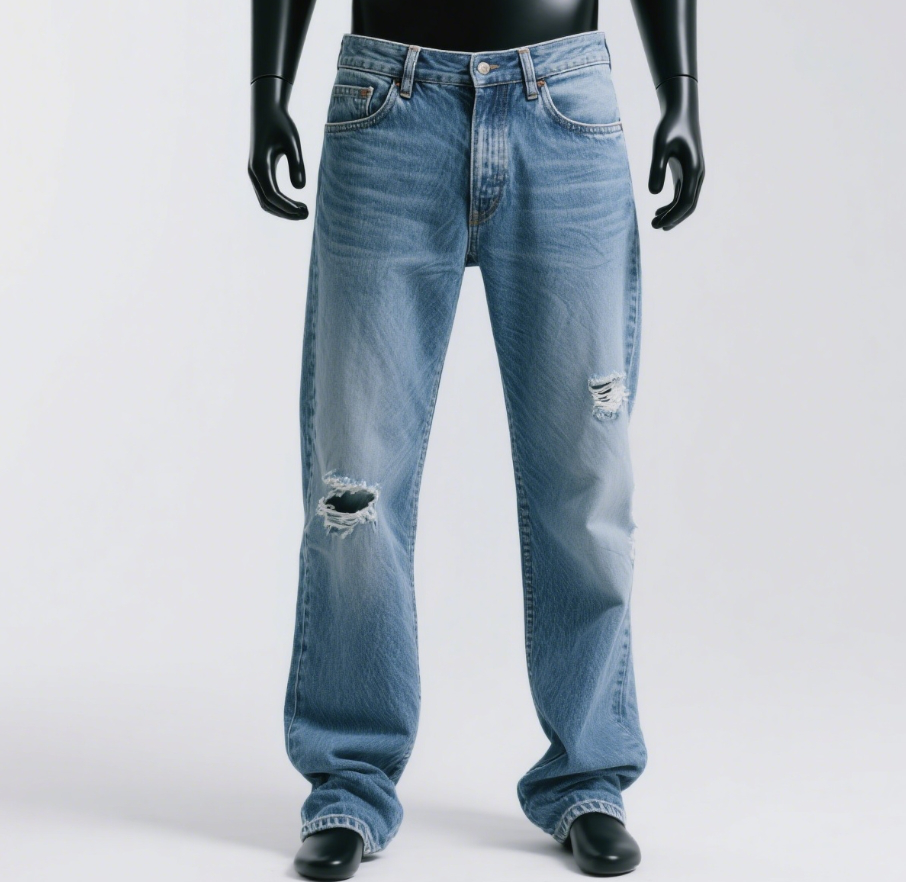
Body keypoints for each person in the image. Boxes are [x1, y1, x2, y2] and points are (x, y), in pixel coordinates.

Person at [248, 1, 704, 877]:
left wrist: (680, 92)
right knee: (355, 490)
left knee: (587, 485)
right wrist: (267, 89)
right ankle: (348, 784)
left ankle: (589, 776)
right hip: (388, 106)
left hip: (563, 107)